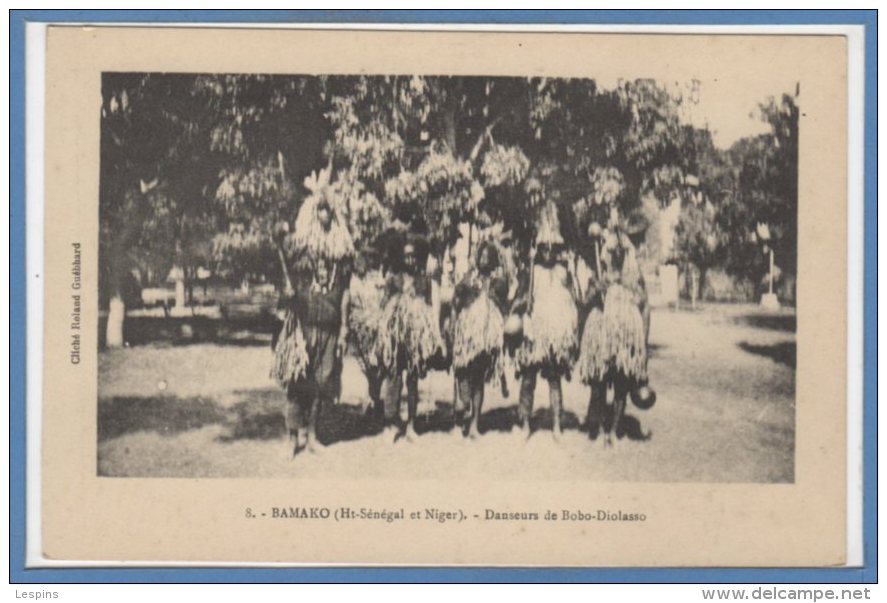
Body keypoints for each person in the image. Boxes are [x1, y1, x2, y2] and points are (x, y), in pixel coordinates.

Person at [512, 204, 579, 441]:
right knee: (528, 378)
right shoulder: (531, 272)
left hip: (556, 333)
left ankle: (557, 424)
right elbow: (520, 298)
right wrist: (523, 305)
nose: (549, 252)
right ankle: (525, 423)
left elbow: (573, 299)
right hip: (535, 332)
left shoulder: (563, 271)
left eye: (552, 249)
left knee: (554, 379)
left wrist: (571, 329)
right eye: (544, 249)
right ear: (539, 250)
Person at [272, 255, 350, 456]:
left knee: (321, 386)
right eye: (320, 268)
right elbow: (287, 305)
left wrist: (342, 336)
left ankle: (312, 437)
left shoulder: (337, 289)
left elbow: (344, 315)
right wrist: (288, 296)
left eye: (327, 268)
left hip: (328, 340)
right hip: (305, 339)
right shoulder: (303, 287)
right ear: (315, 270)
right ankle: (292, 438)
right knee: (297, 386)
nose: (323, 272)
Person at [578, 226, 649, 444]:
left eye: (621, 252)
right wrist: (595, 290)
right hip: (601, 335)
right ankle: (598, 425)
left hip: (625, 337)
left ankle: (615, 429)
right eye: (613, 251)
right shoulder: (598, 275)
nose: (616, 255)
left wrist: (643, 345)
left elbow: (644, 304)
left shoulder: (635, 279)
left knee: (621, 385)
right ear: (607, 253)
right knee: (599, 383)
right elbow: (584, 302)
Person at [375, 234, 443, 442]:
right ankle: (391, 423)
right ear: (401, 257)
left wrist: (433, 335)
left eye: (414, 256)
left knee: (412, 380)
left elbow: (431, 307)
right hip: (396, 338)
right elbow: (384, 304)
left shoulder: (424, 279)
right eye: (407, 256)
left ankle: (412, 424)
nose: (410, 260)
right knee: (393, 378)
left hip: (415, 339)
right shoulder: (394, 277)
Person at [451, 241, 509, 438]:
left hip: (487, 337)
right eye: (482, 256)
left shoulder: (497, 281)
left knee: (479, 380)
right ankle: (461, 415)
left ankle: (475, 423)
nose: (484, 260)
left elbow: (503, 304)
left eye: (488, 257)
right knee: (463, 374)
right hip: (468, 335)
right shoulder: (469, 278)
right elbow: (456, 300)